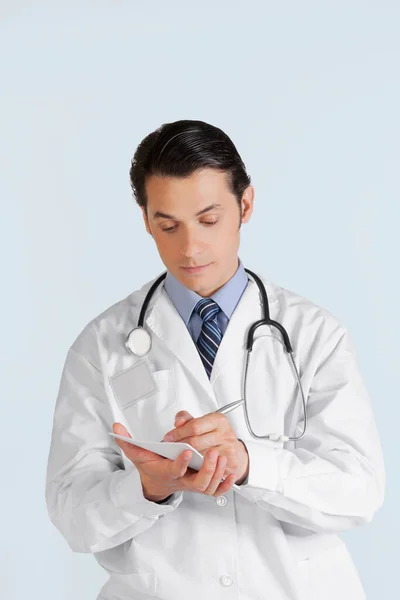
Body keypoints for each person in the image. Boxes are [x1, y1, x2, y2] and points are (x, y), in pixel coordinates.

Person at [45, 119, 385, 600]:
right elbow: (71, 514)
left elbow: (359, 491)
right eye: (168, 225)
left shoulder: (314, 335)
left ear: (245, 205)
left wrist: (249, 464)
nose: (190, 248)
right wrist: (145, 489)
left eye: (208, 220)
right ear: (145, 219)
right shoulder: (102, 347)